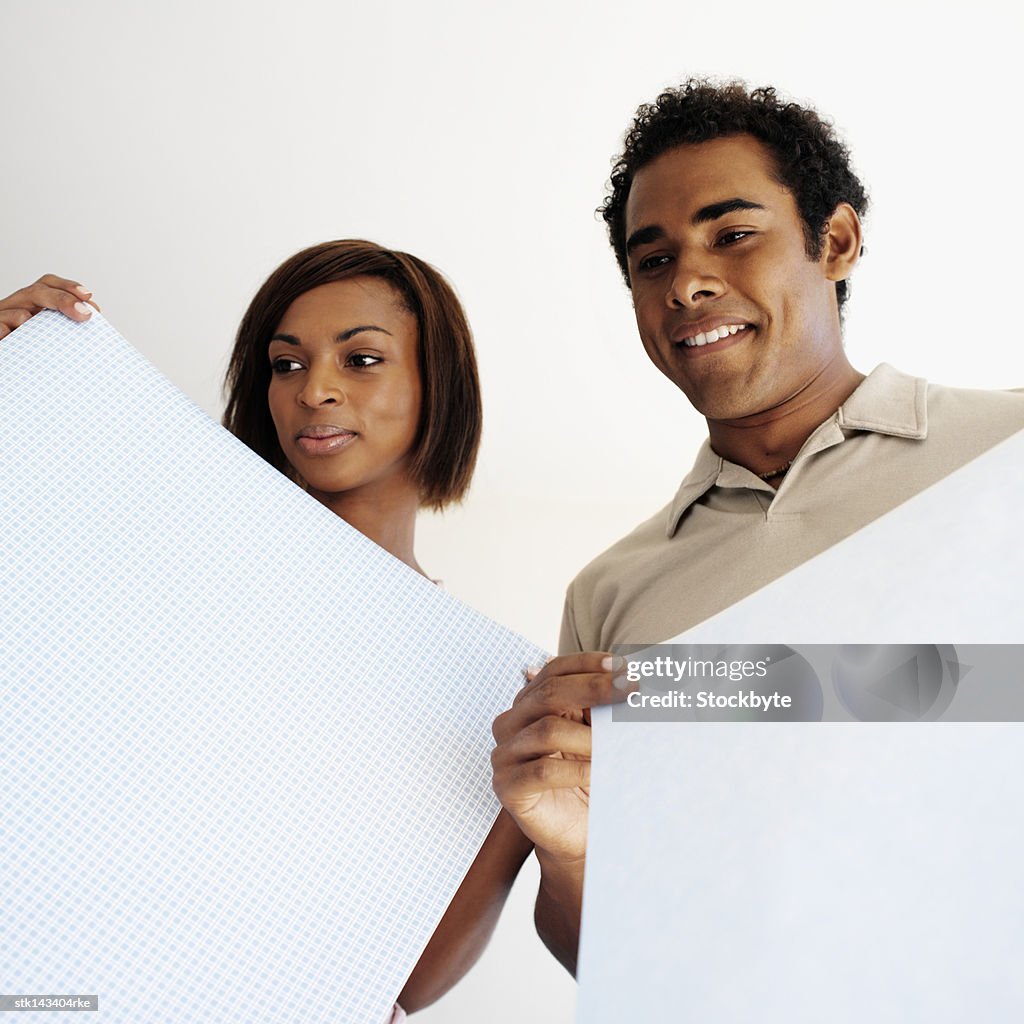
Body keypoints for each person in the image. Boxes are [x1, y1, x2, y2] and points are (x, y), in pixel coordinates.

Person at [490, 79, 1024, 975]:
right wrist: (572, 853)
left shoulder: (1007, 453)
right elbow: (621, 965)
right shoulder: (612, 595)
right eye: (650, 260)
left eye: (732, 235)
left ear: (838, 242)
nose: (688, 282)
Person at [0, 241, 534, 1017]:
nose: (314, 390)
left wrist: (521, 807)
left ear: (437, 385)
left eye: (361, 360)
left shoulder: (479, 686)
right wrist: (21, 388)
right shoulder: (144, 553)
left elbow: (402, 988)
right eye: (286, 365)